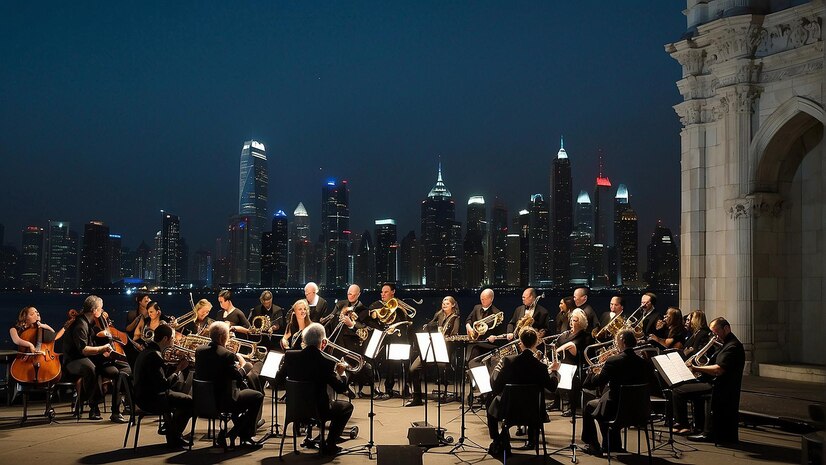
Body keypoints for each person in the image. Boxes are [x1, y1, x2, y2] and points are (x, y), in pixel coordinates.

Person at [279, 322, 353, 455]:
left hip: (294, 409)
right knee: (346, 407)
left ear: (303, 341)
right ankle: (330, 444)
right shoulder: (326, 362)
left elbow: (278, 381)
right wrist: (342, 374)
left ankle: (316, 439)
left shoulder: (290, 356)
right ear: (323, 343)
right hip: (318, 411)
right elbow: (340, 388)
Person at [487, 327, 560, 456]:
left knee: (492, 404)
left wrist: (496, 370)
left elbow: (496, 387)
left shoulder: (508, 361)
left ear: (520, 342)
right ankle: (532, 440)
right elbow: (552, 388)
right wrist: (554, 372)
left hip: (509, 410)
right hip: (533, 412)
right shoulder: (541, 366)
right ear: (535, 343)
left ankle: (498, 440)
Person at [673, 317, 745, 443]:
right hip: (716, 384)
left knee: (679, 391)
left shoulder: (732, 346)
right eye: (712, 333)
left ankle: (684, 425)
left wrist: (696, 368)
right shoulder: (726, 344)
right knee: (681, 387)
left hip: (720, 387)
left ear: (726, 329)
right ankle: (698, 426)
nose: (714, 336)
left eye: (715, 332)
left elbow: (719, 369)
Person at [580, 328, 650, 456]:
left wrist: (593, 371)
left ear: (622, 341)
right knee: (604, 401)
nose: (615, 344)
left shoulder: (613, 361)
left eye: (616, 341)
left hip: (616, 410)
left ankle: (593, 445)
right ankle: (613, 444)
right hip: (639, 410)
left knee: (590, 406)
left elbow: (596, 383)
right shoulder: (643, 363)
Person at [194, 321, 264, 447]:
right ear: (222, 337)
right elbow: (238, 377)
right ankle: (245, 436)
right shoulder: (226, 355)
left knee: (242, 394)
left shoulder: (199, 351)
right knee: (257, 396)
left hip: (203, 400)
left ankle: (230, 432)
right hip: (224, 401)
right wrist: (244, 366)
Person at [63, 295, 131, 422]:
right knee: (91, 369)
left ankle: (116, 412)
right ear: (94, 310)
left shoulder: (91, 322)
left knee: (117, 372)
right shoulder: (80, 324)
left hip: (90, 357)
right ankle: (94, 406)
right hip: (74, 360)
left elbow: (95, 341)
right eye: (100, 308)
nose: (102, 310)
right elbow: (83, 349)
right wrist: (103, 348)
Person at [132, 324, 193, 449]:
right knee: (189, 402)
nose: (174, 341)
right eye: (172, 338)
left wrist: (172, 366)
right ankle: (174, 436)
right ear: (165, 339)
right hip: (151, 399)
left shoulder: (147, 351)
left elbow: (157, 376)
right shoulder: (154, 355)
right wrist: (179, 370)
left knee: (180, 395)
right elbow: (162, 385)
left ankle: (172, 431)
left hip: (143, 395)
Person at [405, 296, 460, 407]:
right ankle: (417, 397)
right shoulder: (438, 315)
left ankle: (444, 393)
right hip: (431, 347)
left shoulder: (455, 318)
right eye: (443, 303)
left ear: (453, 305)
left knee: (441, 367)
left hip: (445, 350)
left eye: (447, 303)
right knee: (413, 369)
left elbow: (454, 335)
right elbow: (428, 326)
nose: (444, 305)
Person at [367, 282, 412, 398]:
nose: (383, 294)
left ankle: (405, 387)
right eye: (382, 292)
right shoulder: (377, 304)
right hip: (383, 337)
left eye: (386, 292)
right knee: (385, 363)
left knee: (399, 363)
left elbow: (406, 321)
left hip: (397, 338)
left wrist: (400, 312)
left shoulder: (399, 305)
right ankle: (387, 388)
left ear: (393, 292)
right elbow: (369, 318)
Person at [330, 284, 373, 397]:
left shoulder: (364, 310)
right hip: (339, 340)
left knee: (350, 357)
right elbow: (332, 320)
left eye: (353, 294)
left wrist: (351, 324)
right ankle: (340, 384)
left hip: (354, 341)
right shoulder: (340, 305)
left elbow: (364, 330)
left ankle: (345, 384)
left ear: (358, 295)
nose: (350, 296)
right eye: (349, 293)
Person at [554, 308, 589, 417]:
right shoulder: (566, 334)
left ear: (581, 322)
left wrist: (558, 350)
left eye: (575, 321)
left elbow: (572, 346)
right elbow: (557, 343)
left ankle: (569, 405)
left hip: (576, 365)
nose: (572, 323)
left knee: (566, 372)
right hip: (562, 363)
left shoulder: (584, 336)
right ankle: (556, 402)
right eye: (572, 320)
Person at [465, 288, 506, 363]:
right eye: (481, 299)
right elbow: (468, 320)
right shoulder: (476, 308)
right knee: (470, 361)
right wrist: (469, 327)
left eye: (485, 299)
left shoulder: (497, 313)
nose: (482, 301)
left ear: (491, 299)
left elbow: (500, 331)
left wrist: (495, 337)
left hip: (489, 344)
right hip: (476, 342)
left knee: (476, 361)